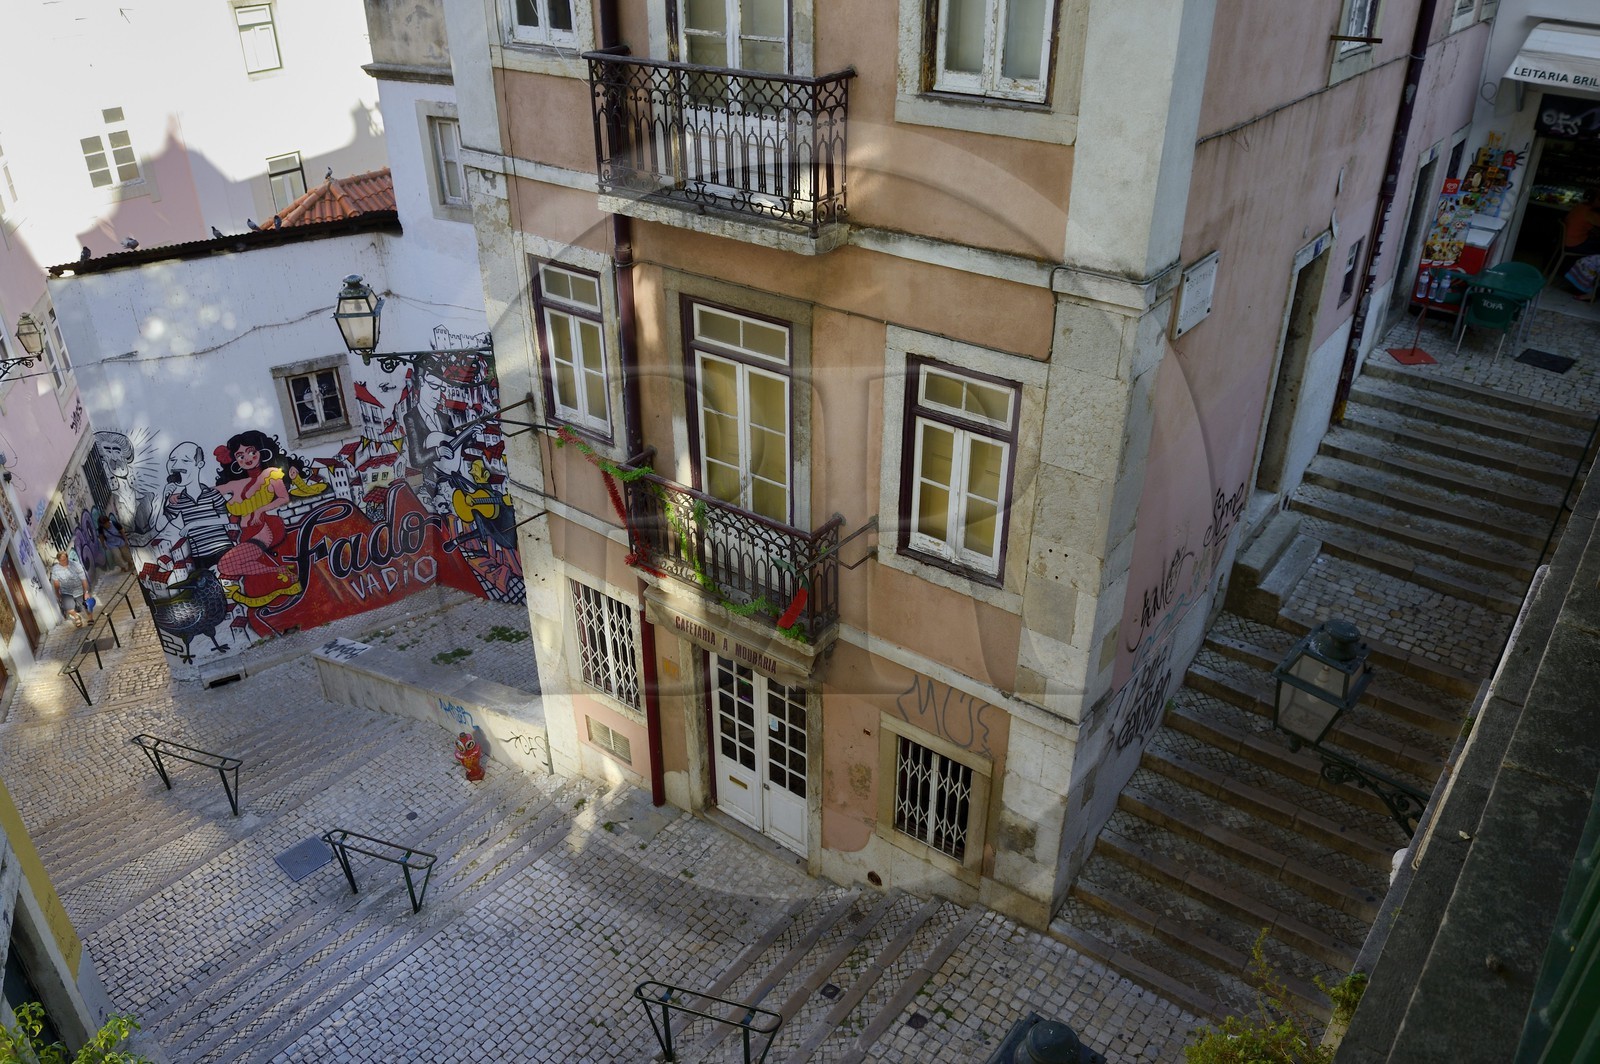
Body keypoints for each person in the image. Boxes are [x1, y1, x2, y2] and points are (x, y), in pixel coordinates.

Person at [212, 430, 305, 609]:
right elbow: (210, 491)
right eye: (240, 456)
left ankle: (279, 573)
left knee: (226, 564)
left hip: (264, 528)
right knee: (236, 567)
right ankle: (278, 571)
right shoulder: (238, 484)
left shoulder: (271, 474)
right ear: (235, 461)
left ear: (261, 451)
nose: (247, 458)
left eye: (251, 451)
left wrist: (261, 509)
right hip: (247, 532)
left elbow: (283, 498)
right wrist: (175, 492)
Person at [49, 550, 92, 628]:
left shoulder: (76, 565)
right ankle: (76, 617)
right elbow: (56, 583)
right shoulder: (55, 569)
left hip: (79, 590)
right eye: (61, 560)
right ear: (58, 560)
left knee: (86, 605)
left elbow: (83, 579)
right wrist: (58, 594)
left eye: (65, 559)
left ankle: (90, 618)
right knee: (68, 608)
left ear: (67, 557)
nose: (64, 561)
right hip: (66, 592)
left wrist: (86, 592)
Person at [1563, 190, 1600, 257]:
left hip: (1566, 241)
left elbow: (1587, 226)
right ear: (1596, 200)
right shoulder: (1590, 213)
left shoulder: (1581, 206)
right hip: (1574, 244)